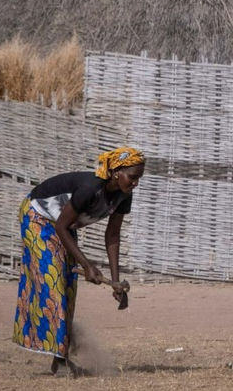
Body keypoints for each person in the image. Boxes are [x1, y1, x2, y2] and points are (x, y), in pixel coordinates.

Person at [12, 147, 145, 375]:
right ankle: (61, 360)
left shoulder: (124, 195)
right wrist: (86, 265)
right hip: (37, 217)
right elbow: (61, 226)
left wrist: (115, 283)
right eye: (132, 177)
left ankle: (59, 358)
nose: (135, 183)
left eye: (138, 178)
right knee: (53, 282)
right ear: (116, 173)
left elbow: (112, 235)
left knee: (68, 287)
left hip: (62, 225)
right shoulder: (90, 188)